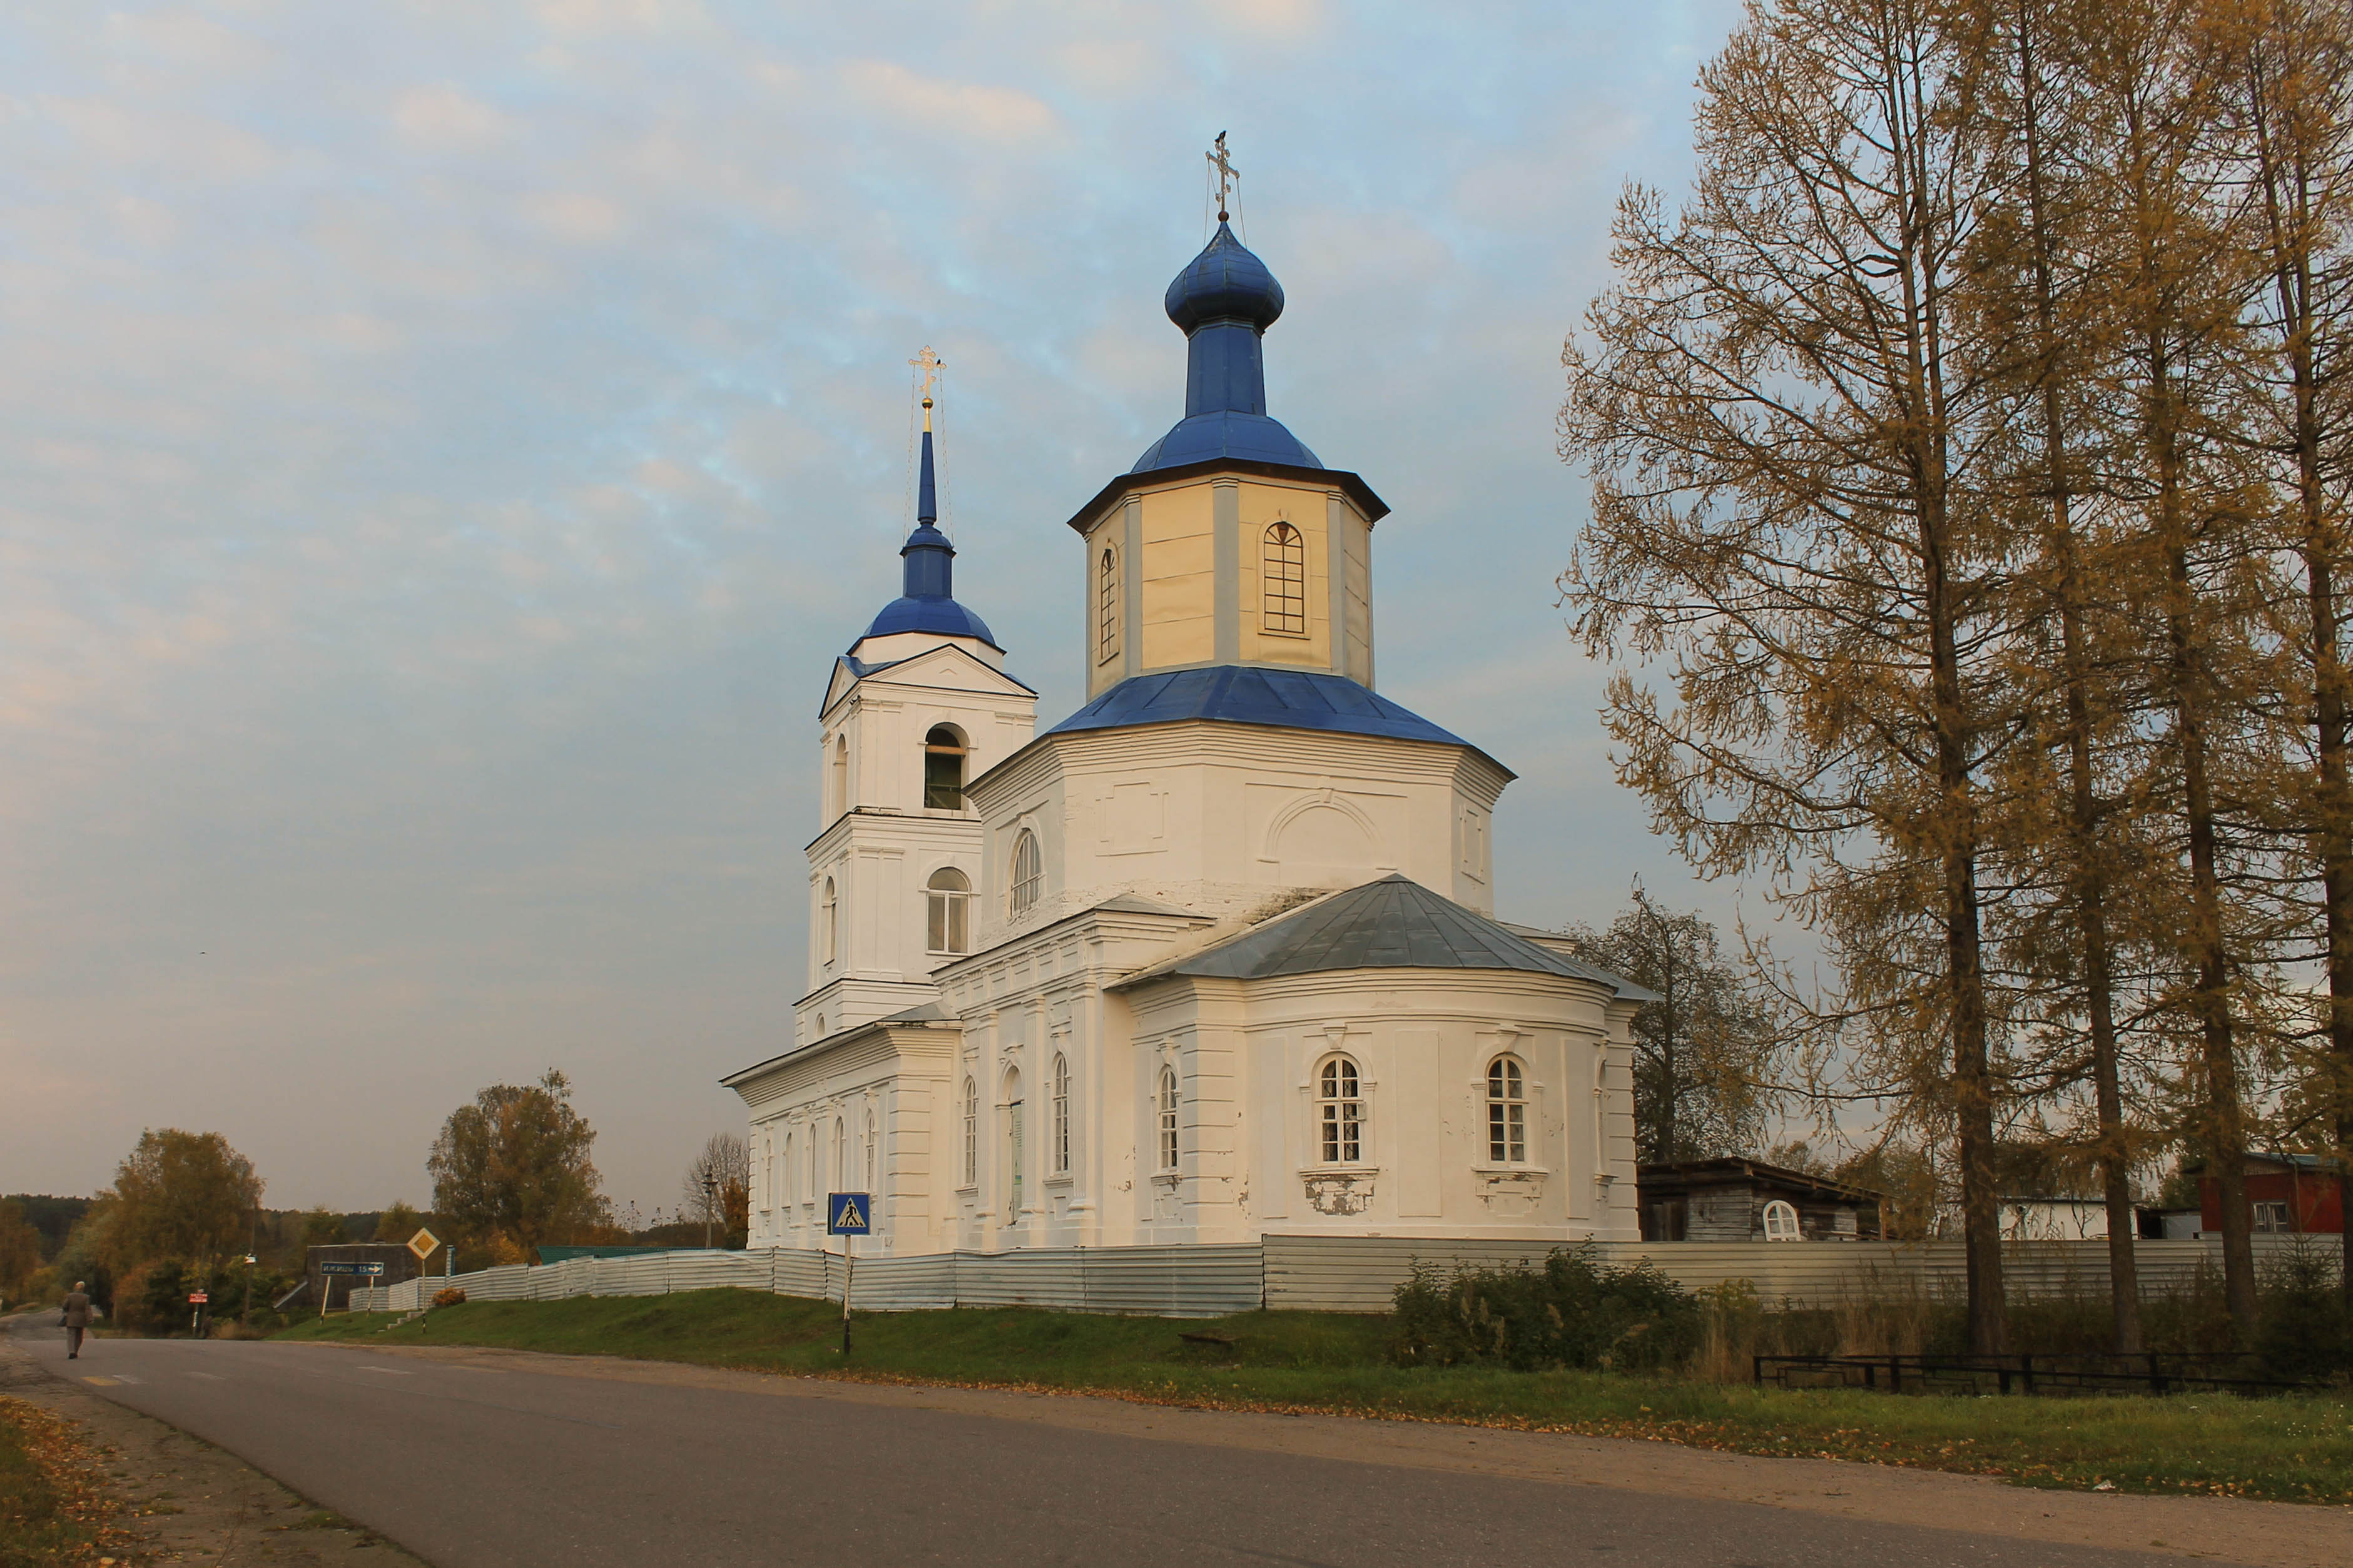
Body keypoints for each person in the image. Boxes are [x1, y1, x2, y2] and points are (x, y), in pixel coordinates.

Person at [61, 1282, 93, 1359]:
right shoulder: (86, 1297)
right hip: (81, 1319)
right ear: (83, 1288)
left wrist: (67, 1310)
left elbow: (65, 1306)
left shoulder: (70, 1296)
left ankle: (71, 1352)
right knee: (79, 1337)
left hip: (71, 1318)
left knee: (71, 1336)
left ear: (76, 1287)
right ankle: (75, 1351)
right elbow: (88, 1309)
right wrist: (90, 1319)